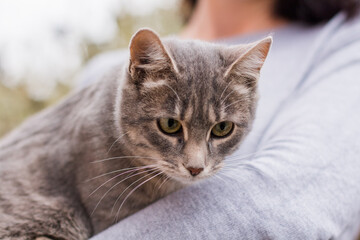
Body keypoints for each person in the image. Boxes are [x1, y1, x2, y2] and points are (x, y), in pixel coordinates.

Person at [82, 0, 360, 239]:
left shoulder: (346, 42)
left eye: (222, 128)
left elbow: (286, 212)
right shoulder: (103, 72)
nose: (196, 164)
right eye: (170, 125)